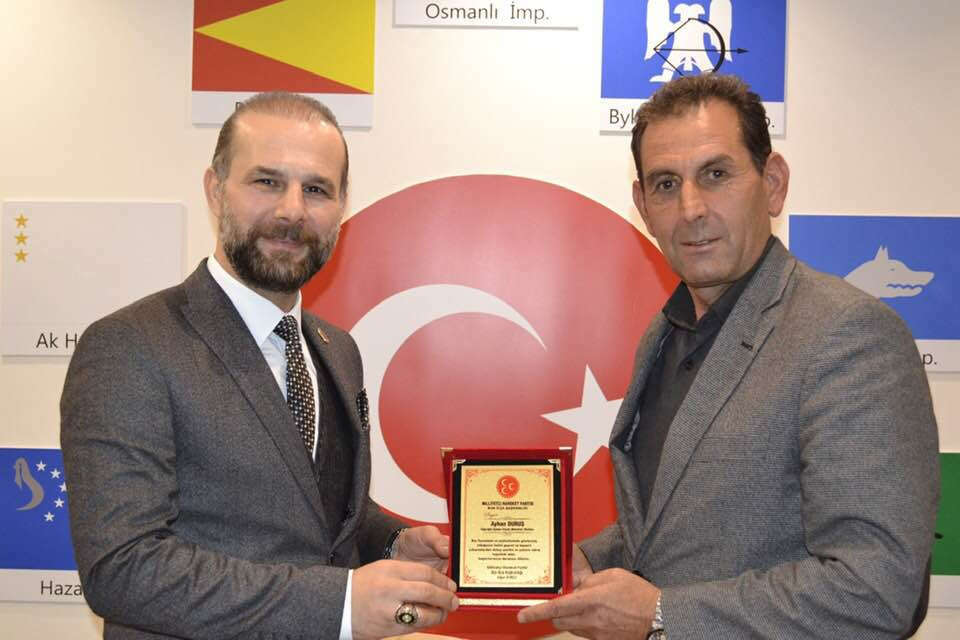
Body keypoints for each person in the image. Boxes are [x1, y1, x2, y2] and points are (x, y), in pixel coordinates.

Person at [519, 74, 939, 638]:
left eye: (715, 175)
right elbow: (682, 521)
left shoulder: (848, 335)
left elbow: (876, 591)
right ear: (643, 205)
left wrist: (661, 615)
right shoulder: (663, 335)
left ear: (773, 183)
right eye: (666, 184)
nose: (690, 208)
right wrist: (587, 562)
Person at [60, 92, 458, 639]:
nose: (293, 210)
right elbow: (123, 568)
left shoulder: (338, 350)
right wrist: (339, 604)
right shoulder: (130, 346)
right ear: (215, 189)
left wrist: (390, 542)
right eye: (267, 181)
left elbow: (311, 506)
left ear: (341, 207)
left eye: (316, 189)